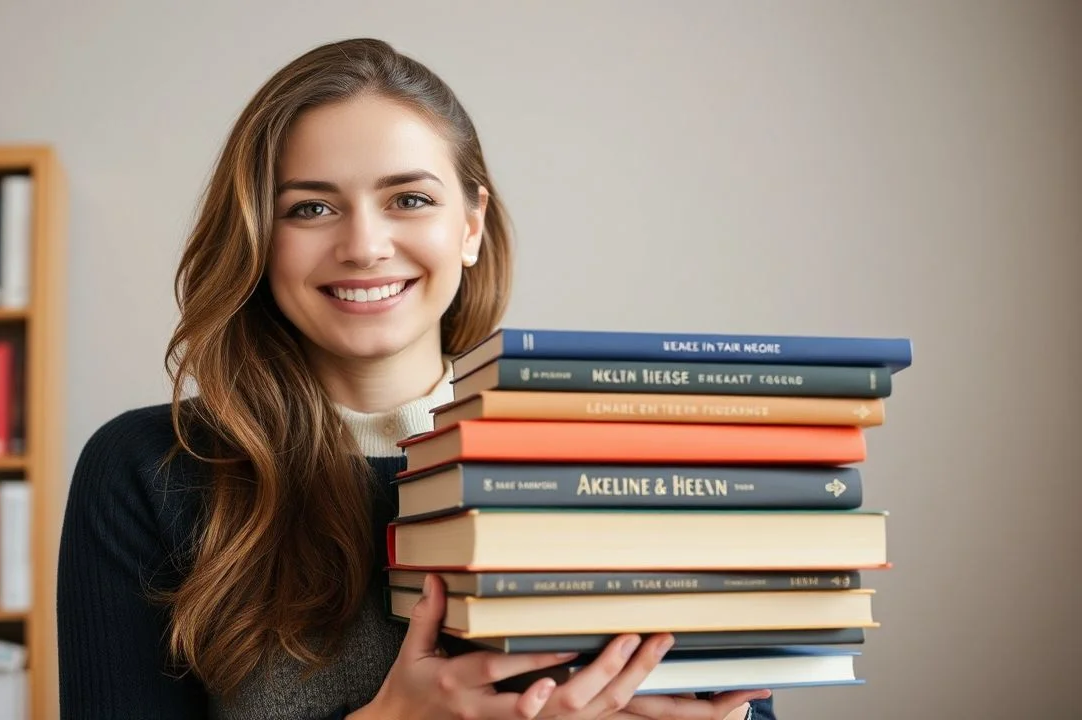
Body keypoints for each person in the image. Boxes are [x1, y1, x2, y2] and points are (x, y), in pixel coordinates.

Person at [55, 37, 778, 720]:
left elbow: (745, 701)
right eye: (310, 208)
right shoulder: (152, 470)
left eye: (409, 199)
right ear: (258, 238)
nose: (365, 246)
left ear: (470, 225)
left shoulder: (614, 454)